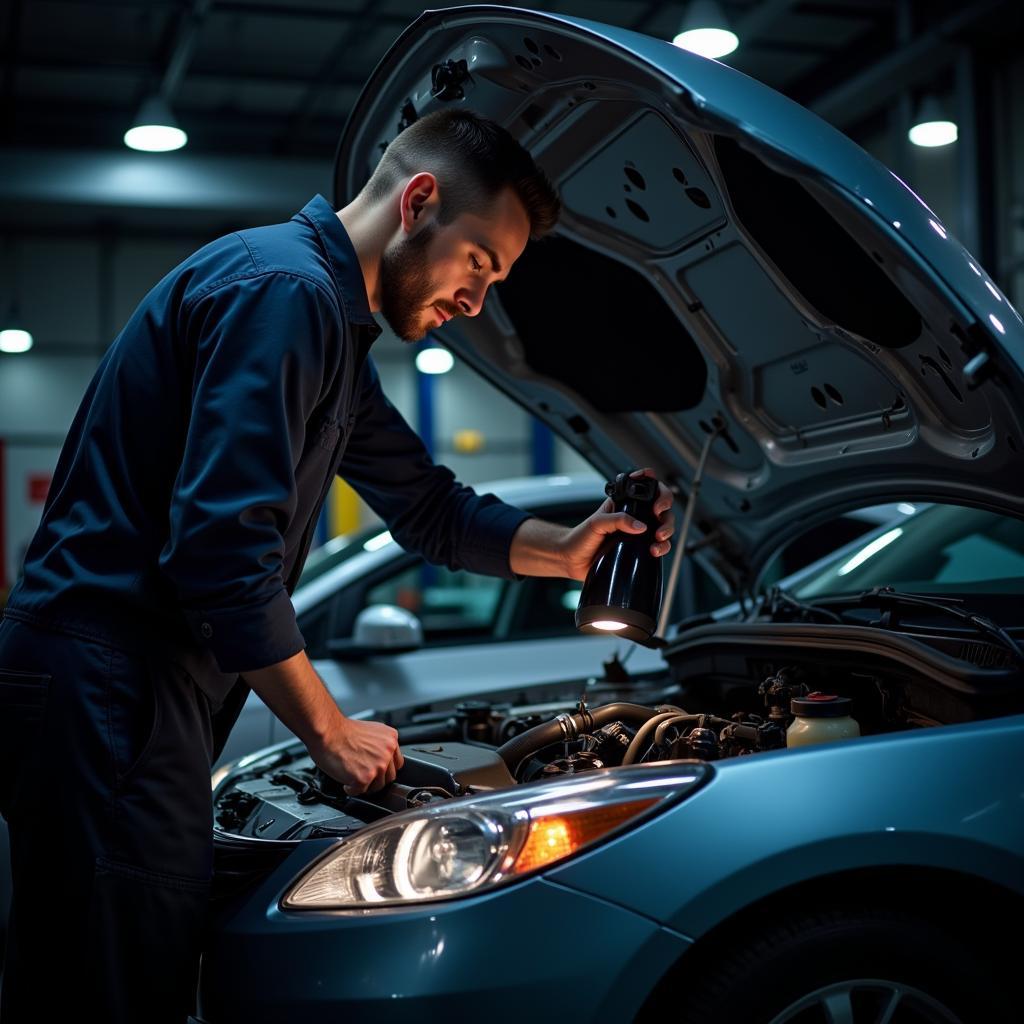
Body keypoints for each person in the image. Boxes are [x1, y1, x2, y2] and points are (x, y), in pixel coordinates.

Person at [0, 109, 673, 1022]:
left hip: (126, 686)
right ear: (420, 201)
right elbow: (219, 551)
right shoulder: (286, 295)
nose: (477, 301)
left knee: (103, 971)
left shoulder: (326, 325)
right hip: (112, 683)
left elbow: (427, 506)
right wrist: (327, 729)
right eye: (479, 262)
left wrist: (568, 547)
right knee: (111, 991)